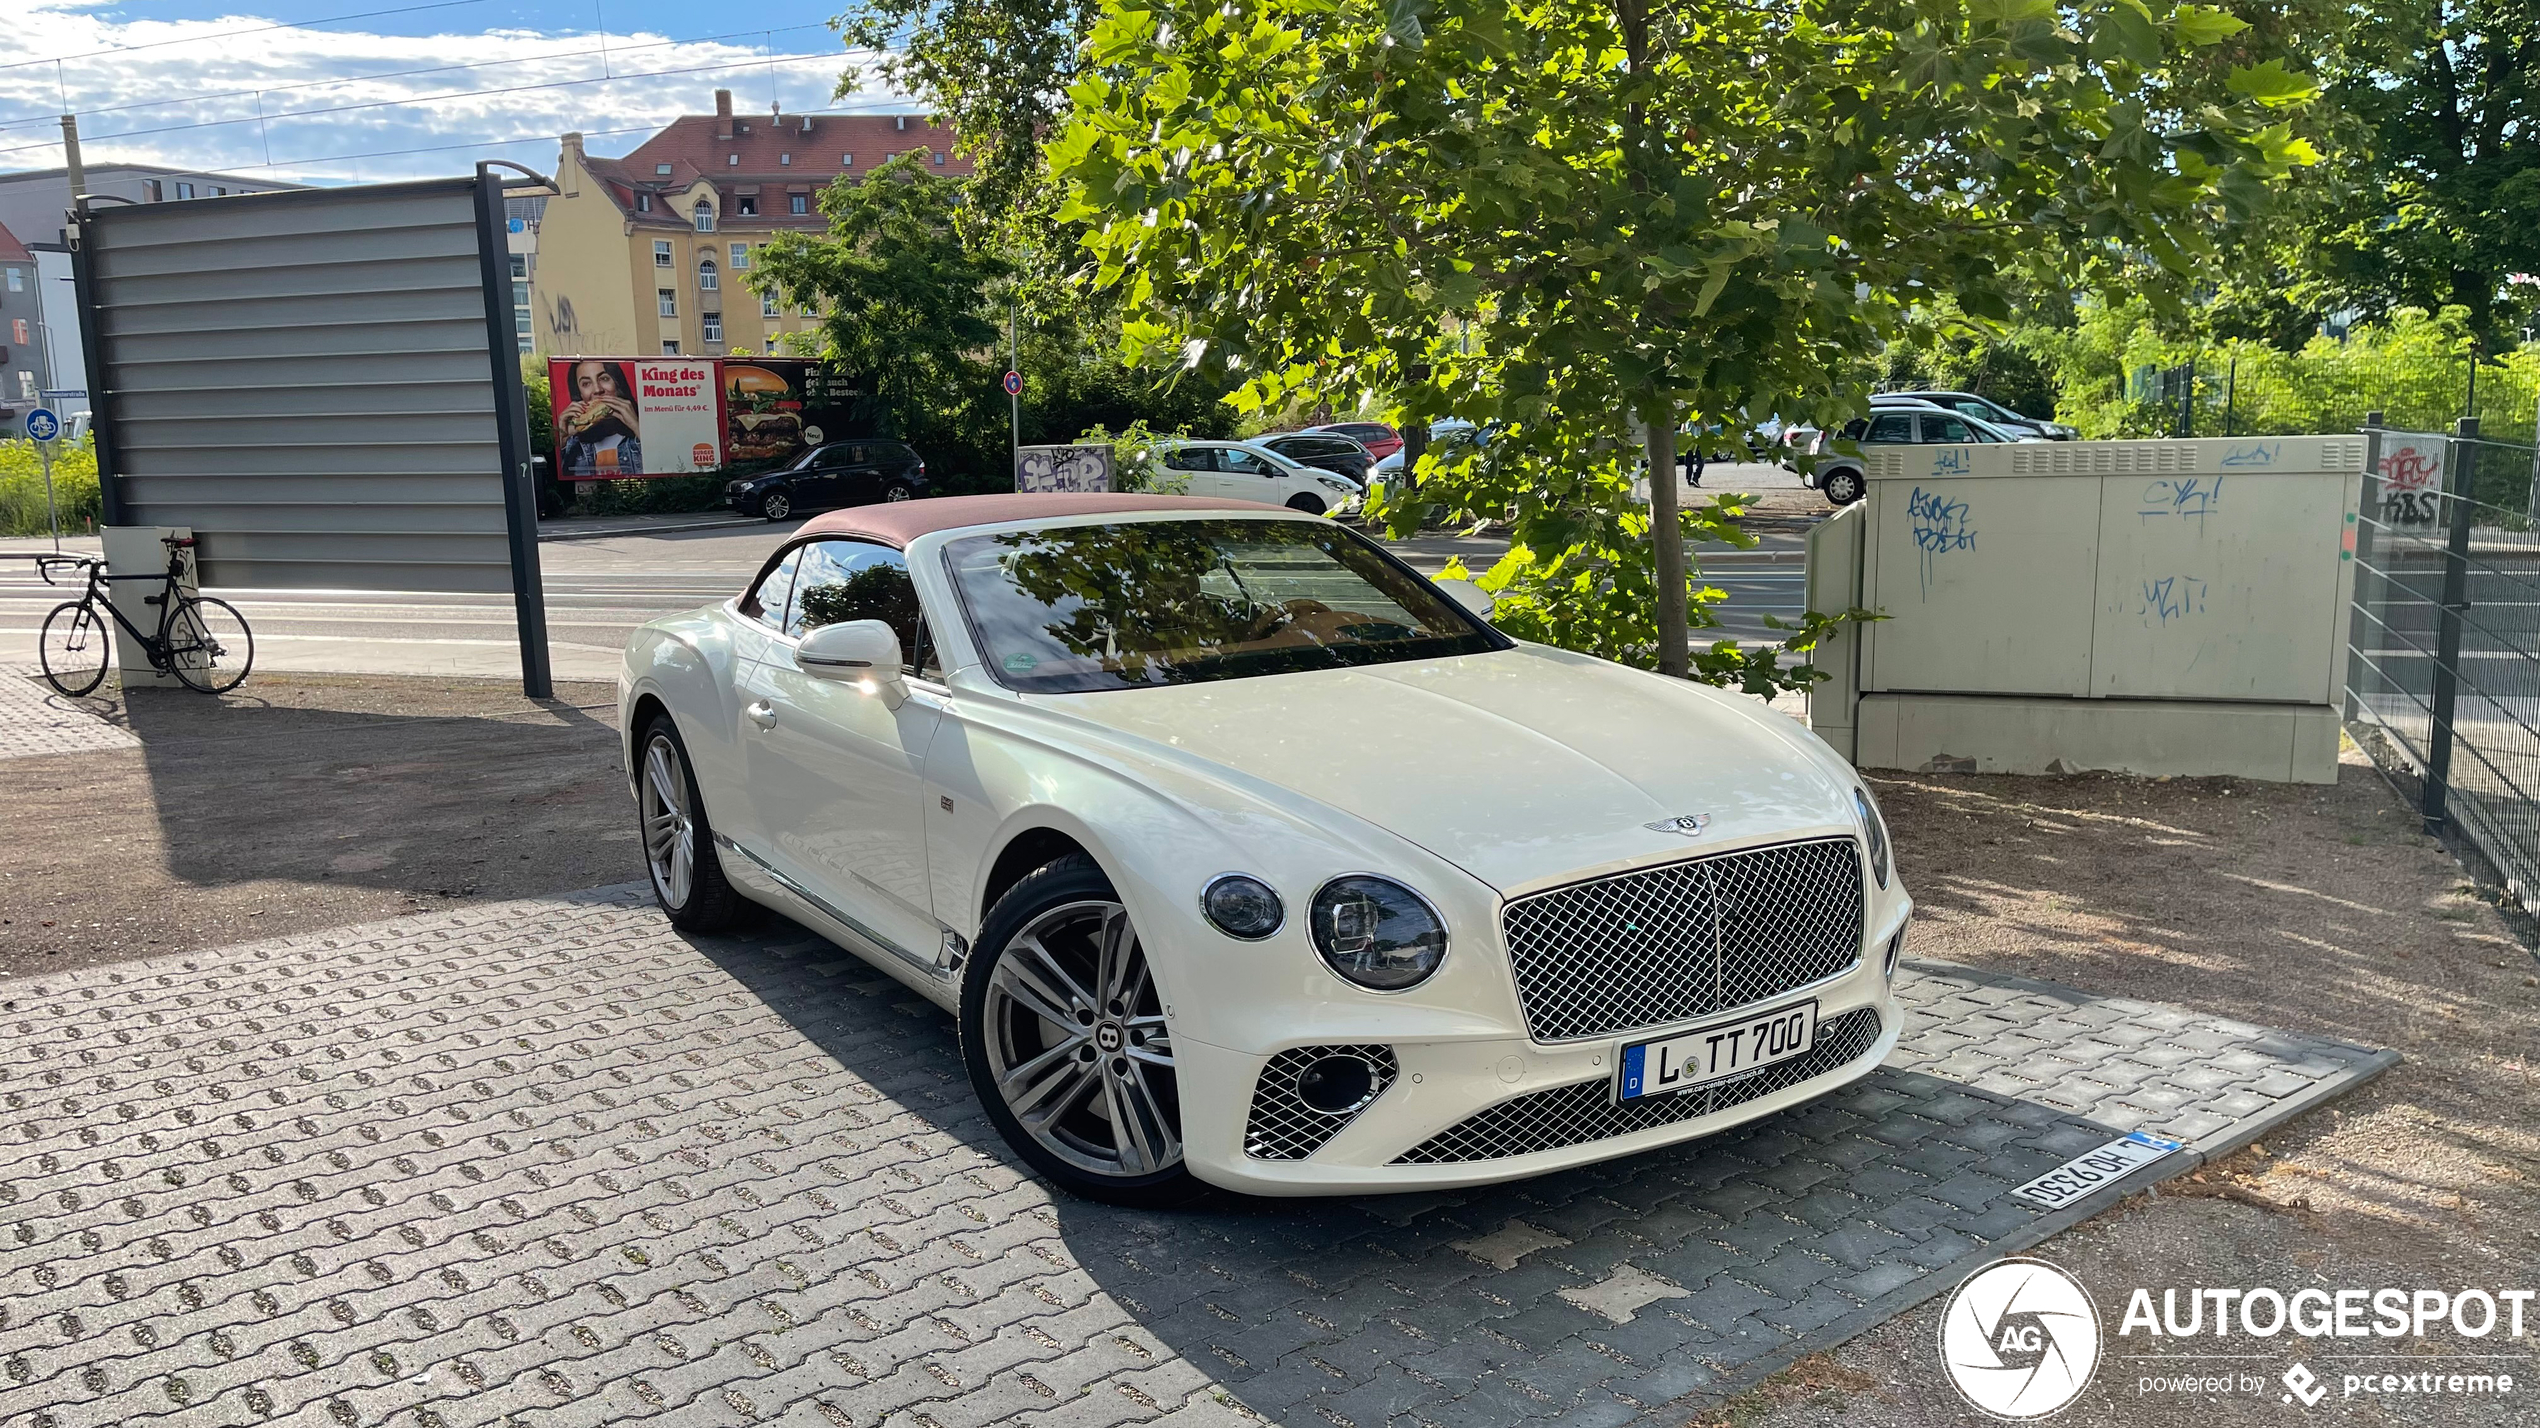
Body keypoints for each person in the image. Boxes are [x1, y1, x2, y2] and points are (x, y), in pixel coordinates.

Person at [558, 360, 643, 475]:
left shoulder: (646, 431)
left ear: (618, 384)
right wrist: (560, 441)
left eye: (604, 379)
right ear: (580, 394)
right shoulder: (572, 443)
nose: (598, 390)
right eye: (586, 384)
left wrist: (637, 428)